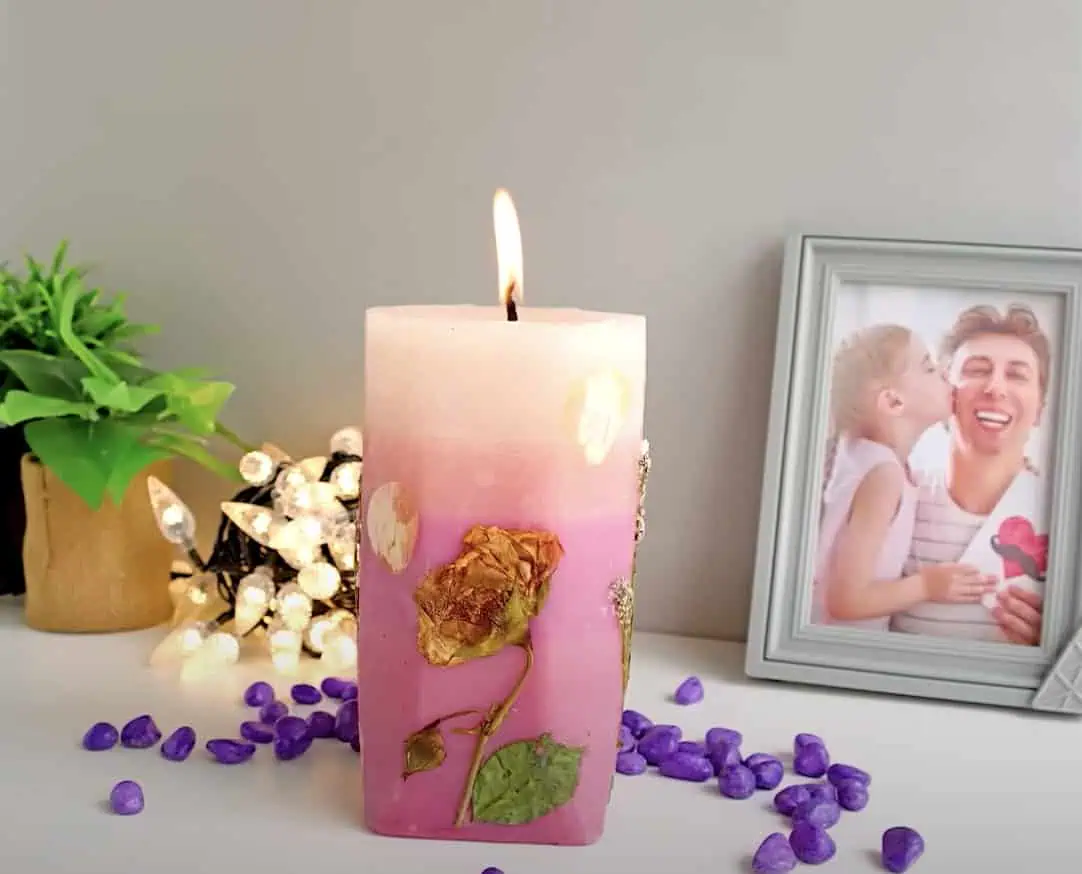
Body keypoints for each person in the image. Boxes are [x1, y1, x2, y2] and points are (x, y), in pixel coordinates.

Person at [812, 324, 995, 630]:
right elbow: (845, 600)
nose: (944, 373)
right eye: (929, 367)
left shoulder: (862, 456)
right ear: (893, 402)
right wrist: (927, 586)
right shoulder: (883, 476)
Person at [891, 304, 1051, 645]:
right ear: (945, 393)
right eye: (977, 370)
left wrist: (1060, 650)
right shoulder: (894, 495)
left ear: (1040, 409)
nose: (996, 387)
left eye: (1017, 375)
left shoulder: (1065, 518)